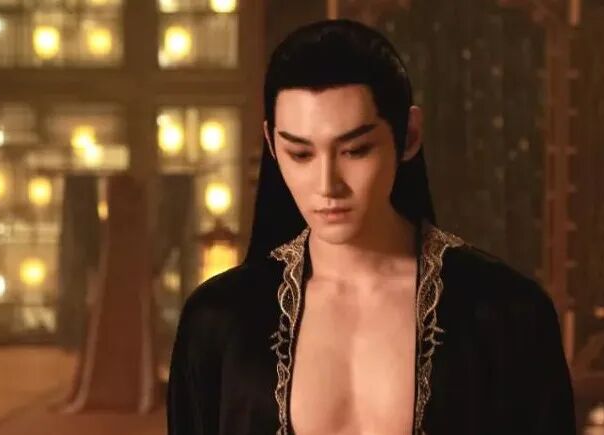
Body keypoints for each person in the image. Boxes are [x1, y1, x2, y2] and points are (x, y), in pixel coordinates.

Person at [167, 19, 575, 435]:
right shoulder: (217, 321)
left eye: (356, 150)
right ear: (272, 144)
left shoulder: (507, 314)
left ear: (409, 136)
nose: (327, 185)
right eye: (301, 154)